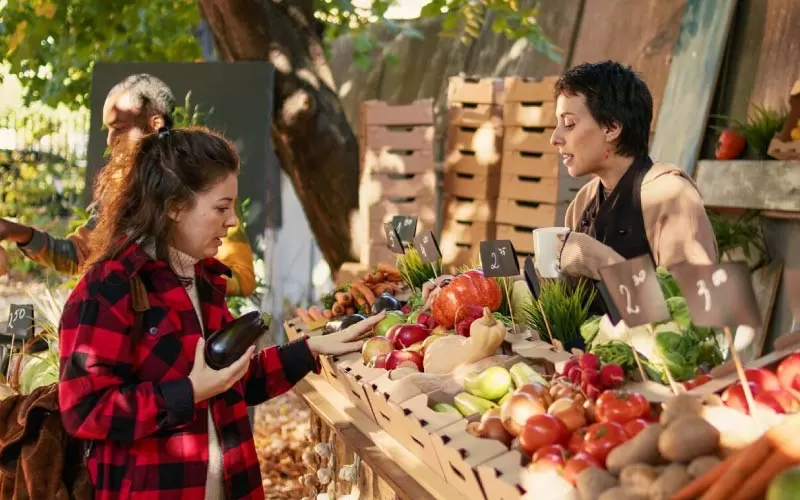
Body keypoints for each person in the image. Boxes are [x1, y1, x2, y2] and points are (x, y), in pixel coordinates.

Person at [57, 126, 383, 499]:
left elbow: (234, 381)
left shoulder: (204, 279)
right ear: (175, 207)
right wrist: (188, 392)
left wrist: (310, 350)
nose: (232, 221)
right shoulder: (110, 287)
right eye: (221, 207)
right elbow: (84, 410)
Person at [0, 73, 256, 297]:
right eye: (107, 129)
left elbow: (242, 278)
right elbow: (82, 255)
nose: (110, 140)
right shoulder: (118, 187)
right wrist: (19, 233)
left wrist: (170, 277)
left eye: (119, 127)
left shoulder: (202, 180)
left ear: (155, 123)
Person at [548, 61, 718, 279]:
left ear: (611, 128)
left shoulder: (672, 197)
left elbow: (695, 304)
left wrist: (598, 260)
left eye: (569, 123)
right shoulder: (583, 201)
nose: (555, 138)